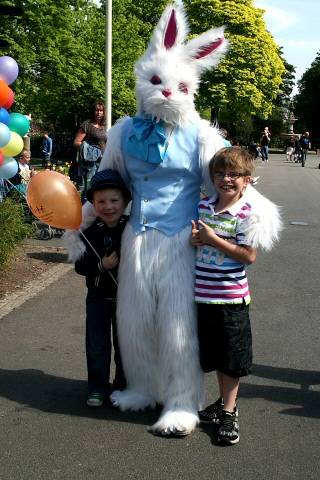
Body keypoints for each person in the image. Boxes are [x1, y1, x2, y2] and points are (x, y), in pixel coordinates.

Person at [191, 147, 259, 445]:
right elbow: (198, 242)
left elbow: (248, 256)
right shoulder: (204, 206)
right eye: (220, 173)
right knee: (217, 355)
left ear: (246, 180)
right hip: (204, 298)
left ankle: (230, 413)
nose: (226, 179)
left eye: (234, 174)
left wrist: (212, 239)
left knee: (232, 359)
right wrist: (196, 240)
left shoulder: (247, 213)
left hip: (231, 300)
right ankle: (222, 403)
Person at [74, 169, 131, 407]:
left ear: (125, 201)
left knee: (125, 345)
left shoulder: (132, 230)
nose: (108, 206)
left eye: (114, 201)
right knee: (97, 344)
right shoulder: (88, 233)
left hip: (127, 298)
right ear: (93, 204)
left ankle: (122, 386)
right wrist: (100, 265)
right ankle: (97, 386)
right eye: (101, 201)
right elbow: (80, 266)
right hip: (98, 297)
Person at [73, 101, 107, 199]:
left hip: (103, 162)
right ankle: (85, 213)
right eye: (97, 110)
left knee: (100, 189)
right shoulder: (87, 125)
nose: (99, 113)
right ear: (93, 111)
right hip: (90, 164)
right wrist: (91, 150)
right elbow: (76, 142)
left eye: (101, 110)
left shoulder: (105, 126)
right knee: (89, 191)